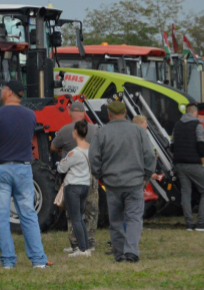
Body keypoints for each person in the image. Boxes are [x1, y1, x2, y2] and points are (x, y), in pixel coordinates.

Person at [0, 80, 50, 269]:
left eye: (2, 90)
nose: (1, 92)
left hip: (0, 169)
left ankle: (8, 260)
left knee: (0, 216)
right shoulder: (31, 115)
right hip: (24, 168)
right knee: (28, 214)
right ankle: (38, 260)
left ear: (8, 92)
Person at [89, 101, 155, 263]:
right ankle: (131, 251)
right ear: (126, 113)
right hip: (134, 183)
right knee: (133, 218)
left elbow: (94, 158)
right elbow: (150, 156)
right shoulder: (138, 131)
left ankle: (119, 254)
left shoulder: (102, 133)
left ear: (109, 115)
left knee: (116, 220)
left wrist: (100, 175)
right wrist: (145, 177)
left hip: (112, 184)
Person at [51, 101, 98, 252]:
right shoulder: (95, 130)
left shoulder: (65, 130)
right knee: (91, 209)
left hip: (72, 176)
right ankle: (90, 242)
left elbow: (53, 147)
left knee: (73, 212)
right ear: (84, 113)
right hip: (91, 175)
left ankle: (76, 244)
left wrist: (62, 155)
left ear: (70, 113)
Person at [171, 104, 204, 232]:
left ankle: (189, 224)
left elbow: (172, 146)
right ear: (195, 112)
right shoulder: (197, 125)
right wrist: (203, 164)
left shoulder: (177, 125)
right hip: (194, 163)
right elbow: (201, 146)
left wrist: (177, 159)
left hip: (179, 163)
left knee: (186, 192)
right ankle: (201, 223)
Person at [56, 120, 93, 257]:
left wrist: (61, 162)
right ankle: (86, 246)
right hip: (85, 185)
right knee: (81, 218)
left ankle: (82, 249)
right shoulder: (90, 149)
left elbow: (61, 168)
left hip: (73, 187)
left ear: (76, 132)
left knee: (75, 218)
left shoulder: (74, 153)